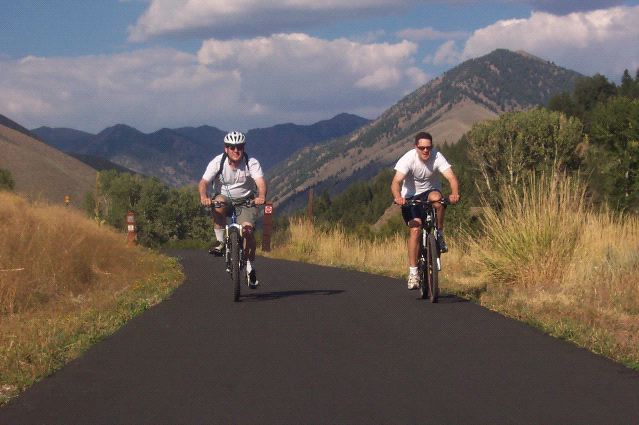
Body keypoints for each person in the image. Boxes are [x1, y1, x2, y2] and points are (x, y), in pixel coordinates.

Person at [390, 131, 460, 290]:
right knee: (415, 229)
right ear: (416, 147)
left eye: (428, 147)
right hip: (411, 198)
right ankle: (413, 272)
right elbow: (396, 182)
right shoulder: (408, 159)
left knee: (438, 200)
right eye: (422, 148)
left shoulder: (437, 157)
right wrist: (398, 197)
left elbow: (451, 178)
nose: (425, 151)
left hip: (430, 194)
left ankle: (439, 233)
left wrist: (454, 193)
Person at [198, 131, 267, 288]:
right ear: (226, 149)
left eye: (239, 147)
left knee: (248, 231)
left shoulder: (251, 163)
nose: (236, 150)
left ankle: (250, 269)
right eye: (232, 147)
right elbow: (203, 182)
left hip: (245, 202)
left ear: (243, 148)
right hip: (225, 200)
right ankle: (221, 242)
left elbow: (261, 182)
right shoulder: (218, 162)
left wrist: (261, 196)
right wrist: (204, 196)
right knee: (218, 202)